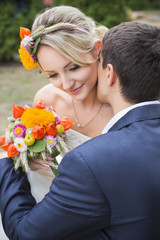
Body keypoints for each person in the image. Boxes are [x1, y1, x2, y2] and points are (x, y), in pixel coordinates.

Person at [1, 21, 160, 239]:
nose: (66, 84)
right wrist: (23, 152)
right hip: (56, 207)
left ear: (99, 55)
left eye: (74, 67)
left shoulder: (94, 154)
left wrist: (6, 164)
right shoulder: (48, 99)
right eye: (52, 74)